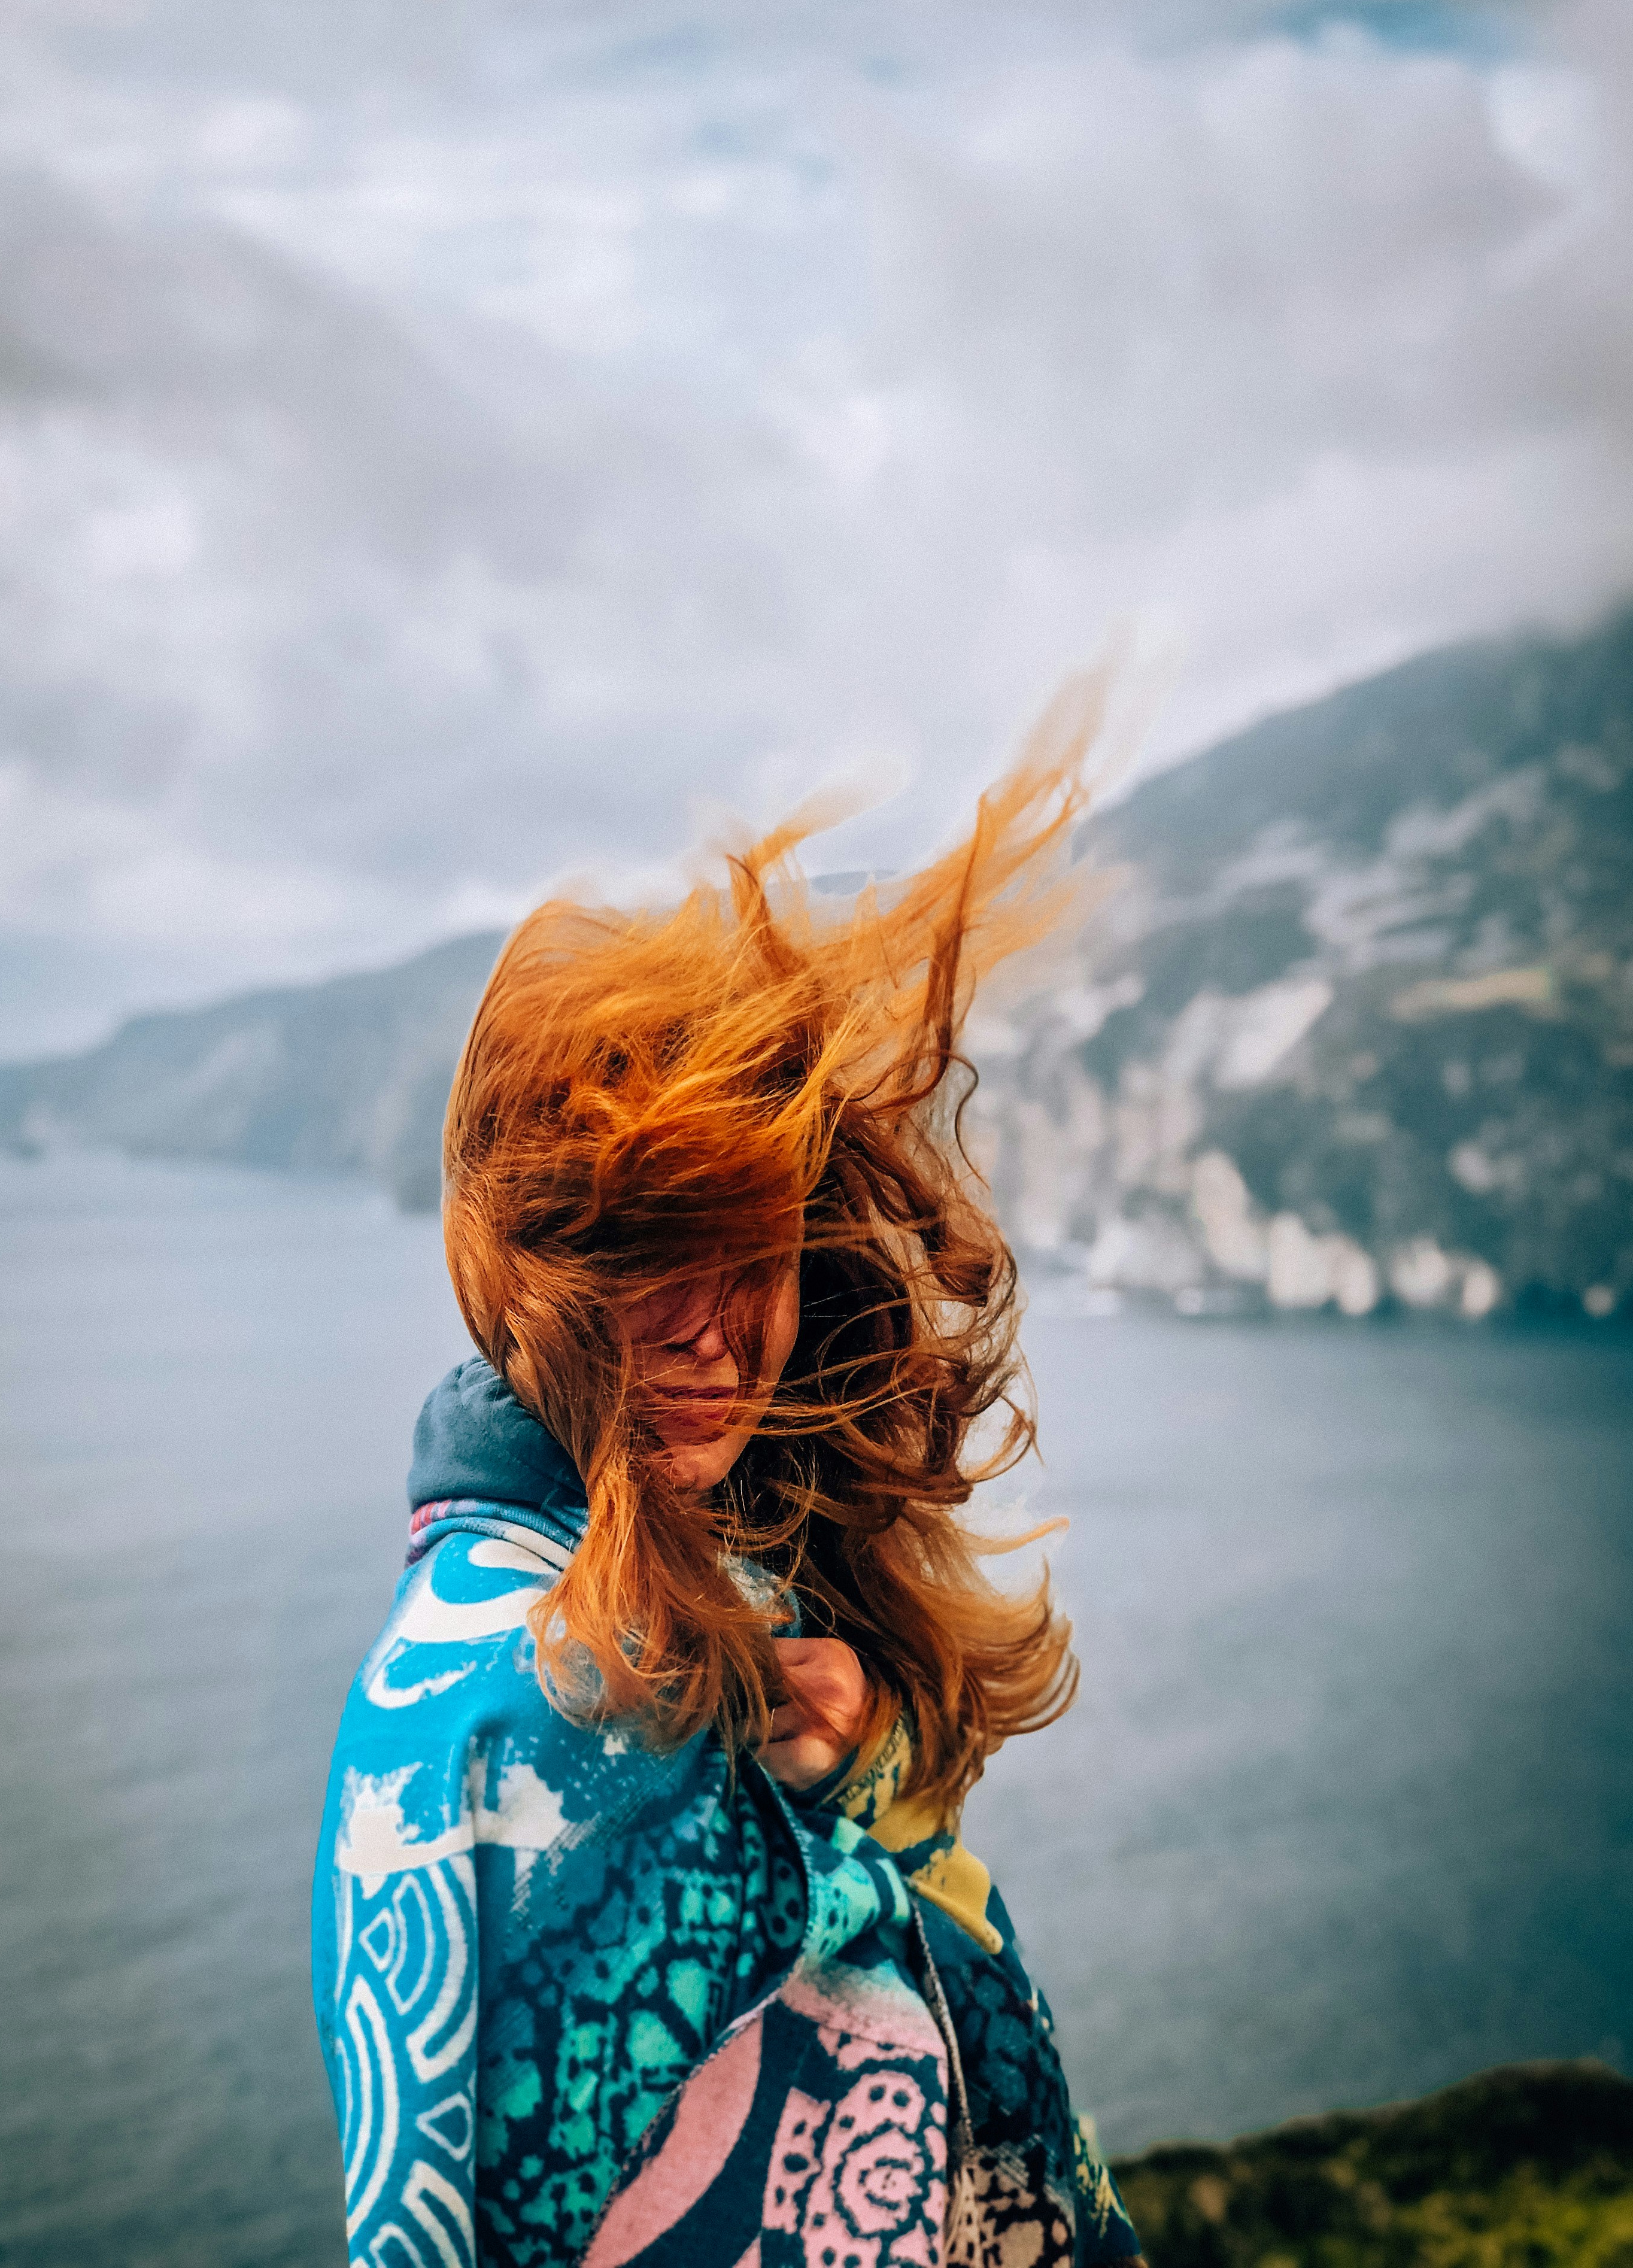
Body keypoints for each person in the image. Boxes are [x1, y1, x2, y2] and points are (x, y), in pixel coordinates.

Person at [312, 688, 1145, 2267]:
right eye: (640, 1258)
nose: (712, 1333)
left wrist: (849, 1795)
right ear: (525, 1276)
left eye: (745, 1248)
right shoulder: (513, 1707)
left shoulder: (742, 1594)